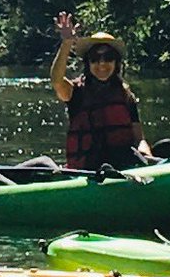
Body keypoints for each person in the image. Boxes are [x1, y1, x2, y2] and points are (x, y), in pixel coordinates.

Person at [51, 12, 154, 172]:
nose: (102, 64)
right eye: (95, 58)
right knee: (116, 158)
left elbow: (138, 139)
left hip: (126, 166)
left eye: (108, 57)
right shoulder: (76, 93)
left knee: (167, 146)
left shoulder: (126, 95)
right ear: (88, 63)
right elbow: (57, 80)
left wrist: (146, 156)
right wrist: (66, 43)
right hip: (91, 170)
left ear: (116, 62)